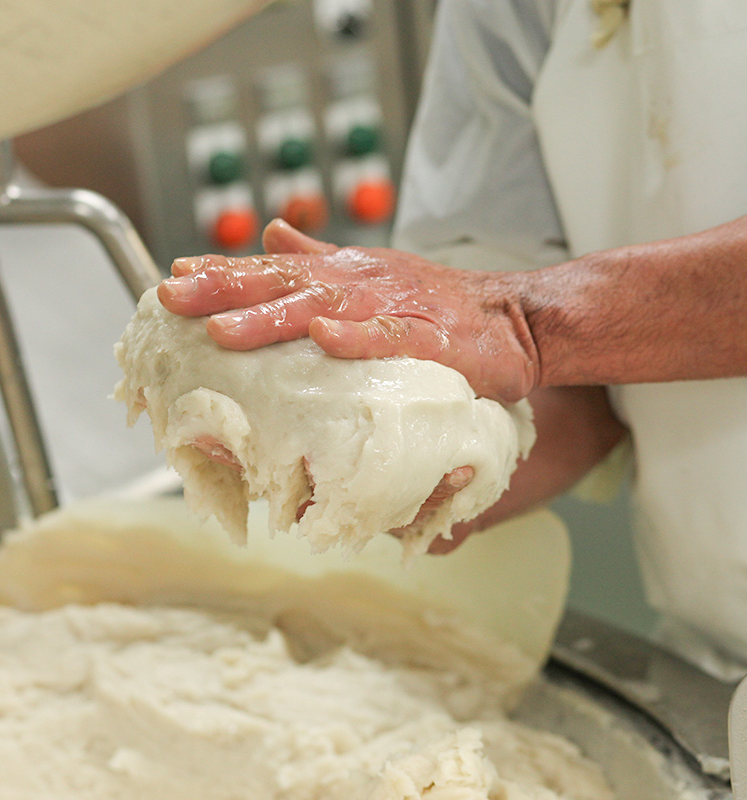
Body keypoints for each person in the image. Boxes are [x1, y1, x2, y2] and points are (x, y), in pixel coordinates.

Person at [157, 0, 747, 676]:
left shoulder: (522, 321)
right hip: (711, 652)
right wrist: (411, 456)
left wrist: (524, 323)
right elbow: (562, 378)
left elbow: (518, 330)